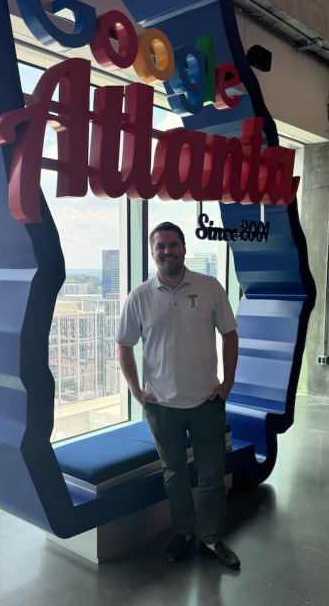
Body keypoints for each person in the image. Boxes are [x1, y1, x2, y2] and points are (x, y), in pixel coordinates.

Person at [116, 221, 240, 570]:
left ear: (184, 248)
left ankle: (211, 538)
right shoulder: (139, 296)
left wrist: (227, 382)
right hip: (161, 405)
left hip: (206, 400)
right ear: (153, 252)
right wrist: (136, 391)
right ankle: (184, 533)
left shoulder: (210, 287)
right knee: (174, 473)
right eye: (161, 247)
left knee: (213, 474)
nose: (167, 252)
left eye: (174, 245)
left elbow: (230, 334)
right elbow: (124, 345)